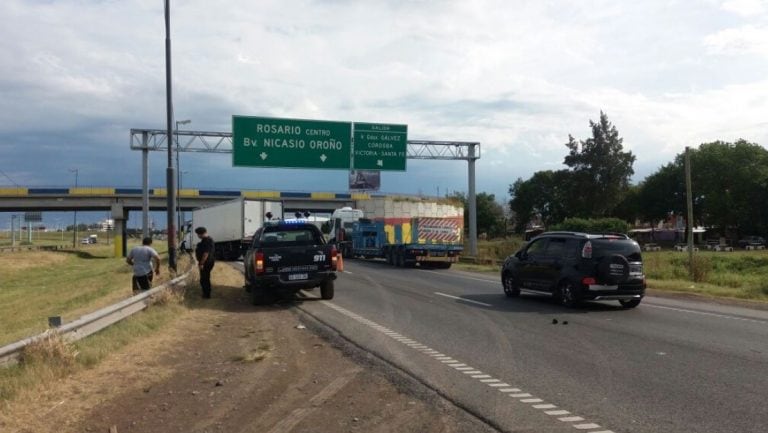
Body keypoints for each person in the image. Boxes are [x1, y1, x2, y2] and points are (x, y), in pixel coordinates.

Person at [194, 226, 215, 299]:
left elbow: (206, 253)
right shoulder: (205, 240)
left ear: (201, 234)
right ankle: (205, 293)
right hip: (206, 263)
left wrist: (201, 263)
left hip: (206, 263)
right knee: (204, 278)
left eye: (198, 234)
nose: (198, 236)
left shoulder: (208, 241)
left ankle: (206, 295)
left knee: (204, 279)